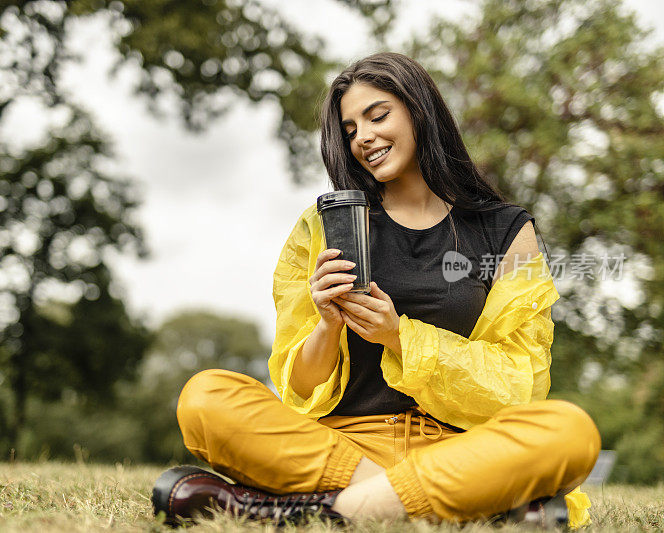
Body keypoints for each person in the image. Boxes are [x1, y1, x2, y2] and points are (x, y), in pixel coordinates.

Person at [151, 52, 600, 528]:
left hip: (460, 449)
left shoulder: (507, 231)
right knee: (205, 397)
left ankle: (309, 513)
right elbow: (297, 388)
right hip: (344, 447)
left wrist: (398, 336)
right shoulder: (323, 225)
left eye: (378, 115)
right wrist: (327, 325)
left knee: (569, 431)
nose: (363, 138)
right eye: (349, 130)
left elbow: (520, 382)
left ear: (419, 111)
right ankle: (448, 506)